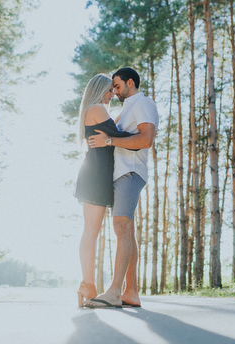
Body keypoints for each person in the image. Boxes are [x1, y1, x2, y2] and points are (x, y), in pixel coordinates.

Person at [85, 67, 158, 308]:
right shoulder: (126, 110)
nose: (114, 92)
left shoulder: (142, 103)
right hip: (120, 173)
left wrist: (109, 140)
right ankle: (131, 292)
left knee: (120, 225)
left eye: (117, 86)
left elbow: (146, 139)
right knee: (127, 231)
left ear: (130, 82)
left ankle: (115, 292)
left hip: (131, 172)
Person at [74, 73, 133, 307]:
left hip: (97, 174)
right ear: (101, 90)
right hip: (96, 176)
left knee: (91, 230)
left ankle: (87, 285)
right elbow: (119, 136)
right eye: (110, 90)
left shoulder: (95, 109)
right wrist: (142, 134)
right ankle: (88, 284)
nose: (113, 94)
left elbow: (112, 135)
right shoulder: (97, 107)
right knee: (91, 231)